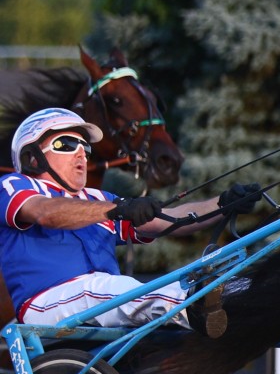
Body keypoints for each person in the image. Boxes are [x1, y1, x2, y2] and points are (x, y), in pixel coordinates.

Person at [1, 108, 264, 336]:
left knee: (118, 289)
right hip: (45, 304)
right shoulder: (15, 185)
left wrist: (223, 203)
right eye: (67, 144)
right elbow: (45, 213)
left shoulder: (98, 198)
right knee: (106, 288)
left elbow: (167, 220)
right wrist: (118, 208)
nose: (81, 154)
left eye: (86, 147)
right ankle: (194, 304)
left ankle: (248, 298)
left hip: (101, 302)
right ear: (32, 157)